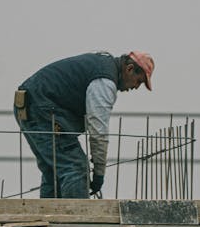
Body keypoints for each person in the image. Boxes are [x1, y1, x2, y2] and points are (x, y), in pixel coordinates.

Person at [13, 51, 154, 198]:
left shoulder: (102, 66)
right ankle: (74, 220)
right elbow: (98, 131)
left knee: (54, 172)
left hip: (29, 104)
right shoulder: (105, 81)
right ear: (130, 69)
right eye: (139, 81)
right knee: (75, 169)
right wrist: (99, 173)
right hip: (42, 108)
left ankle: (50, 217)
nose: (136, 87)